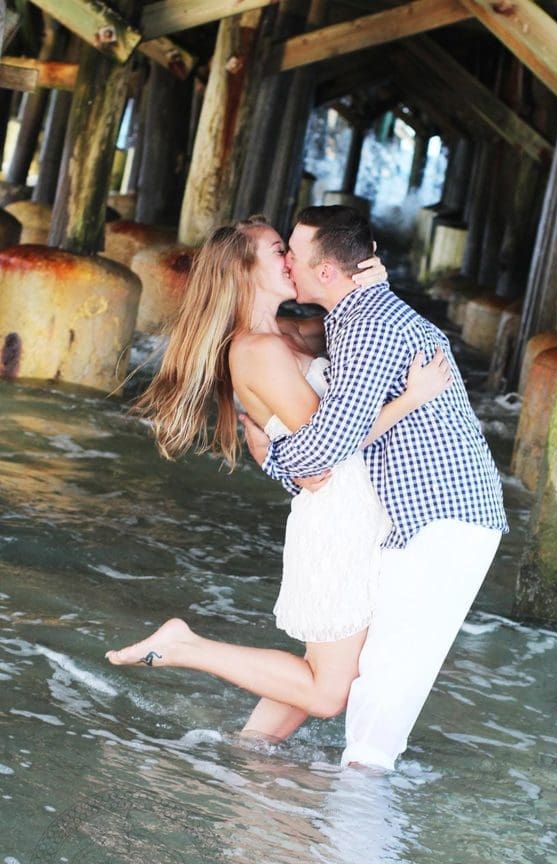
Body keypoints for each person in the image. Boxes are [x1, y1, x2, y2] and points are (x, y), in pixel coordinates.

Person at [106, 216, 453, 741]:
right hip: (337, 519)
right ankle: (185, 647)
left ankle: (252, 755)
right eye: (277, 251)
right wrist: (412, 400)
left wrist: (369, 283)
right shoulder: (254, 349)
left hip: (358, 511)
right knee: (327, 691)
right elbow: (329, 445)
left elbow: (361, 334)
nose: (291, 261)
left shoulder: (288, 332)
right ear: (245, 270)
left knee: (332, 673)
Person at [240, 205, 509, 771]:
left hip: (441, 519)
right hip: (415, 518)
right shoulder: (350, 317)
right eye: (280, 250)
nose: (287, 259)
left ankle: (354, 829)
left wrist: (273, 455)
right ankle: (268, 777)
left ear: (330, 274)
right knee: (361, 682)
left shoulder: (369, 327)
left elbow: (324, 449)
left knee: (383, 696)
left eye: (293, 251)